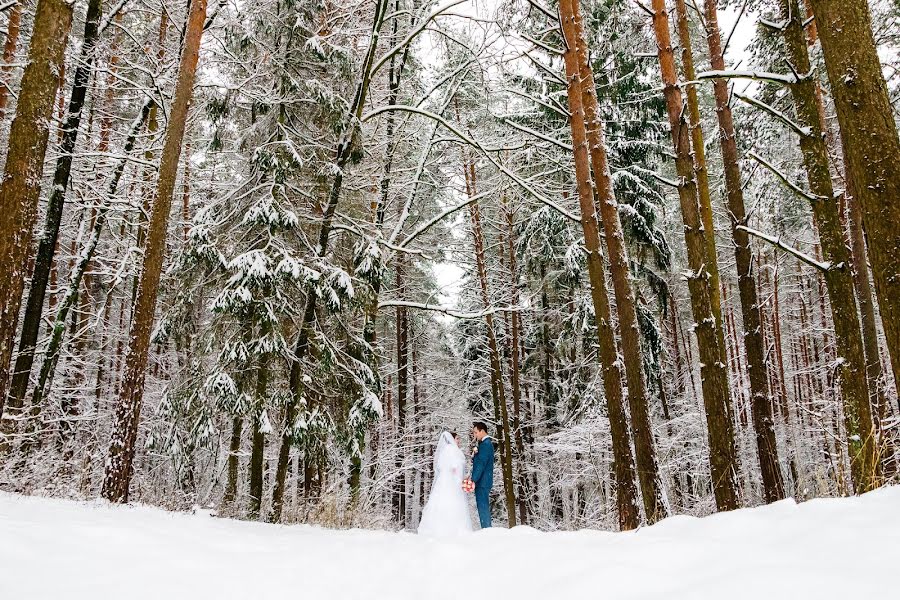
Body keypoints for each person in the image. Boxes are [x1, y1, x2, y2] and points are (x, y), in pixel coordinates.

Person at [417, 431, 473, 536]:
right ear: (452, 439)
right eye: (457, 439)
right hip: (452, 483)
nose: (459, 441)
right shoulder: (454, 451)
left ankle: (435, 529)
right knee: (454, 503)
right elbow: (455, 468)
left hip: (442, 481)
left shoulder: (443, 452)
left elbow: (440, 467)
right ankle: (453, 530)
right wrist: (461, 480)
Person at [470, 421, 494, 529]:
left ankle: (487, 531)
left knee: (483, 507)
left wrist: (473, 479)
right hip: (484, 481)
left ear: (482, 431)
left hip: (482, 481)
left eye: (476, 432)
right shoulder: (485, 444)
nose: (474, 435)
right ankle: (486, 530)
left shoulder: (486, 444)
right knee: (482, 507)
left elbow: (481, 464)